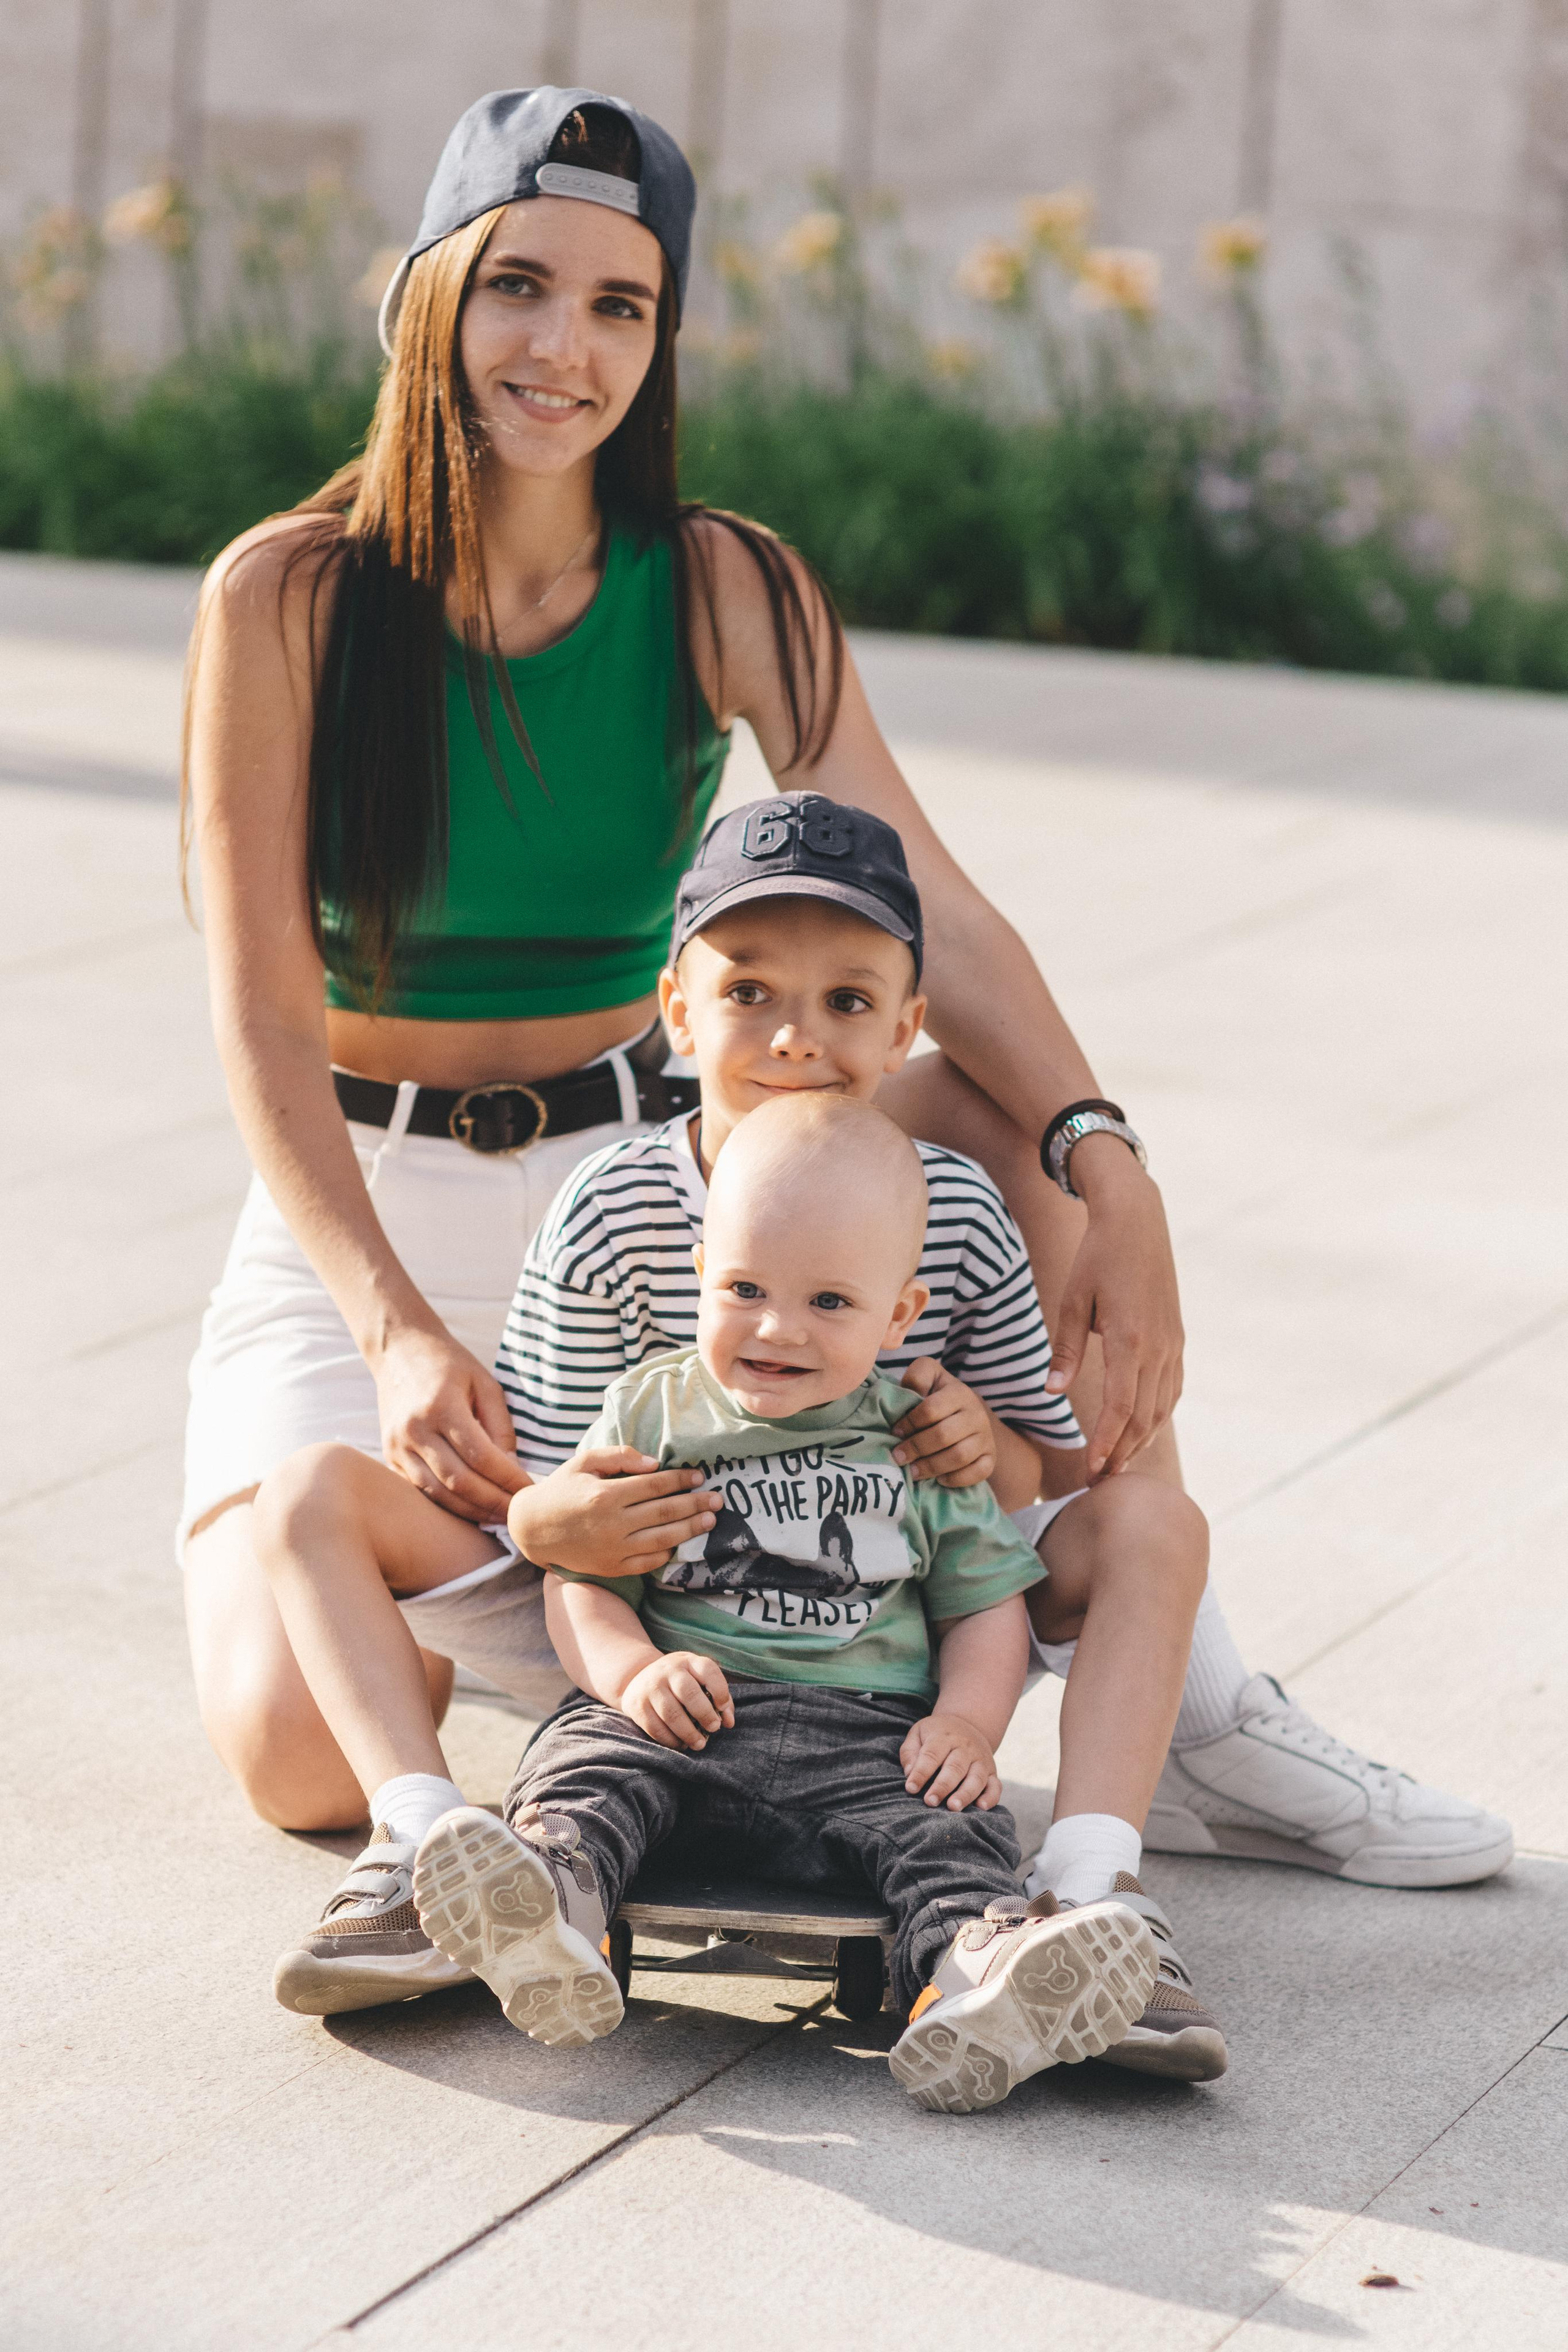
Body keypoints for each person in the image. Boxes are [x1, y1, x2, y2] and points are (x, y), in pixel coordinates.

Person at [183, 84, 1509, 1893]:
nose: (563, 347)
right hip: (363, 1198)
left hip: (649, 1182)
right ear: (430, 297)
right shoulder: (289, 598)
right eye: (518, 286)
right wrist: (392, 1324)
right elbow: (257, 1008)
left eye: (619, 307)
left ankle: (1199, 1717)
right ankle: (598, 1654)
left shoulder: (724, 583)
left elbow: (932, 925)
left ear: (660, 340)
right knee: (293, 1764)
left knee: (1003, 1128)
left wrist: (1113, 1159)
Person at [257, 804, 1223, 2078]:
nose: (793, 1036)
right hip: (641, 1631)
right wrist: (570, 1538)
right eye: (750, 990)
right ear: (676, 1010)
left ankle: (1083, 1900)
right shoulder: (613, 1206)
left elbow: (1024, 1492)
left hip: (881, 1643)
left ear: (903, 1026)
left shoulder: (957, 1212)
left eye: (843, 999)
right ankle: (424, 1852)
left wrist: (976, 1437)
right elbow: (538, 1498)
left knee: (1155, 1518)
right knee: (307, 1493)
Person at [412, 1092, 1180, 2116]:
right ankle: (549, 1904)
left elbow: (982, 1606)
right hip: (683, 1718)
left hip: (868, 1741)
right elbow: (584, 1581)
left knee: (950, 1833)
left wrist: (965, 1724)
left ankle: (978, 1981)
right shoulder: (652, 1411)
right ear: (699, 1275)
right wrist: (632, 1674)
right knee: (586, 1765)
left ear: (899, 1314)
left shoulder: (921, 1436)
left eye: (829, 1302)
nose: (778, 1327)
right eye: (744, 1288)